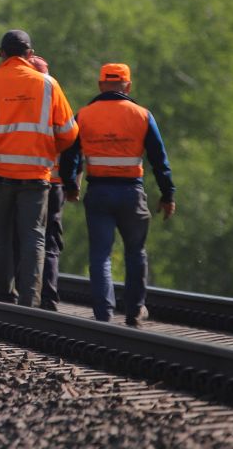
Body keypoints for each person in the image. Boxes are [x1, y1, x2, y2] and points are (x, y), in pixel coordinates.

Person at [0, 30, 78, 308]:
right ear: (29, 54)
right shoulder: (49, 85)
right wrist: (49, 149)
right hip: (36, 176)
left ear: (1, 54)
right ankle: (30, 299)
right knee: (34, 236)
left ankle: (3, 296)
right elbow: (69, 132)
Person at [60, 63, 177, 326]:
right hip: (131, 194)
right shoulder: (142, 115)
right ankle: (135, 311)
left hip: (99, 192)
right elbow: (160, 160)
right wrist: (167, 194)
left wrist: (70, 185)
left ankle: (103, 314)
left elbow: (69, 155)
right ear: (128, 86)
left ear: (101, 85)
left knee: (100, 255)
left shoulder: (84, 115)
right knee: (136, 252)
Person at [29, 55, 67, 310]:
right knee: (50, 242)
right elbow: (71, 137)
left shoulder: (20, 104)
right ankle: (49, 297)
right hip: (54, 183)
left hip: (30, 180)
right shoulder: (55, 97)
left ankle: (27, 294)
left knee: (27, 238)